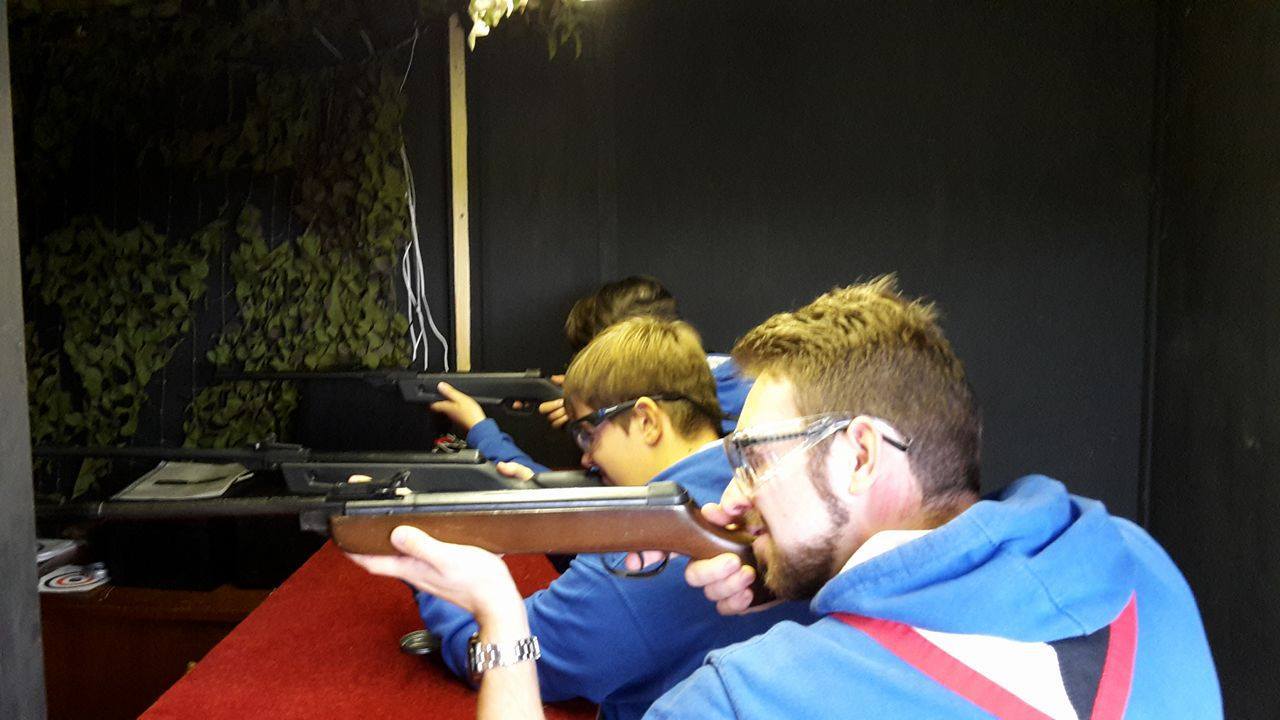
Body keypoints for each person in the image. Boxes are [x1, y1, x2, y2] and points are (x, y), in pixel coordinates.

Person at [363, 276, 1222, 720]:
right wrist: (801, 575)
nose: (728, 495)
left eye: (752, 459)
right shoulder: (1142, 562)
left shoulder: (744, 701)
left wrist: (499, 619)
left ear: (859, 454)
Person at [350, 317, 814, 720]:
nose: (587, 457)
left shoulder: (643, 566)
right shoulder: (745, 477)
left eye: (589, 434)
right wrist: (543, 504)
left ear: (648, 421)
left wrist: (417, 553)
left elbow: (504, 656)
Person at [431, 276, 751, 474]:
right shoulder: (731, 379)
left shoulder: (742, 412)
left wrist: (481, 430)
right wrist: (590, 414)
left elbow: (593, 516)